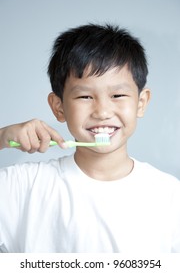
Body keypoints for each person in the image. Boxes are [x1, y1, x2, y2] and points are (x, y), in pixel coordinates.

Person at [0, 23, 179, 253]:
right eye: (85, 96)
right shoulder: (20, 187)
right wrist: (2, 136)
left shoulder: (170, 196)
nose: (102, 112)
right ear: (59, 107)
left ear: (141, 103)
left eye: (118, 95)